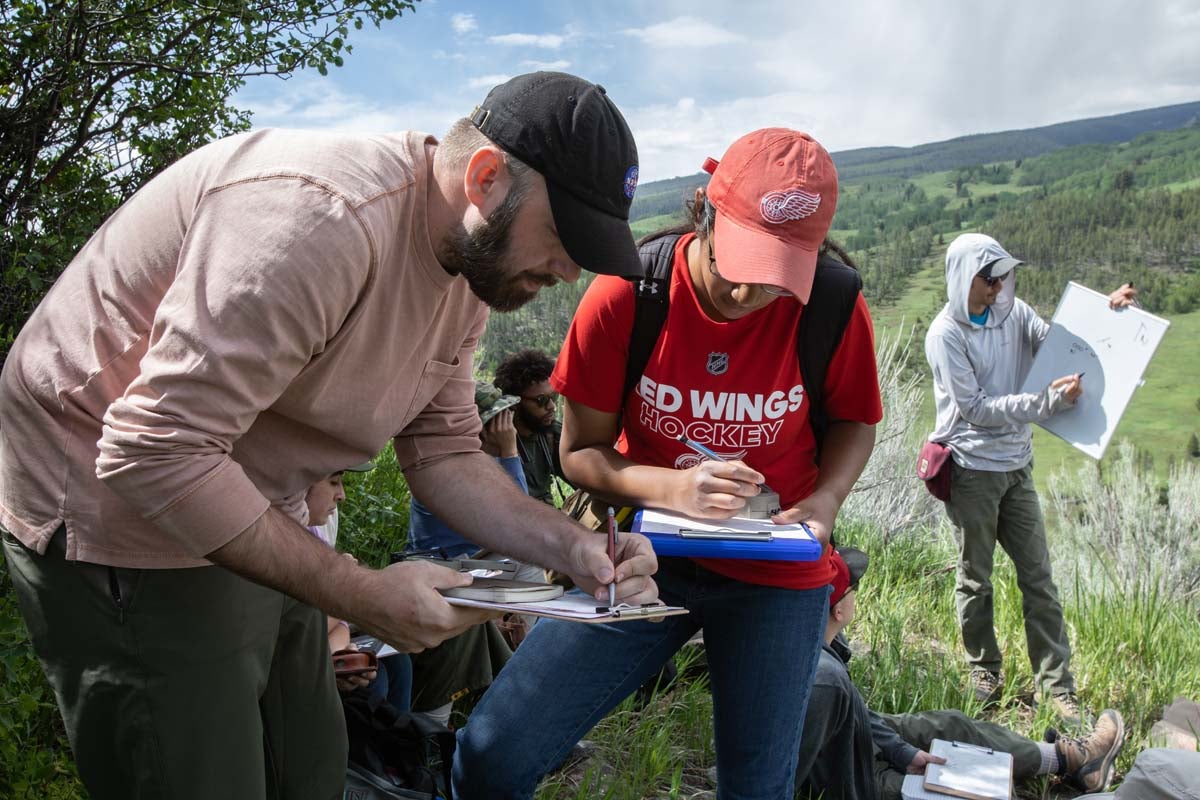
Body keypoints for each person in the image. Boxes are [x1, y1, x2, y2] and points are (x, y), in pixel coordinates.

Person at [0, 71, 660, 800]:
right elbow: (154, 448)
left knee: (309, 765)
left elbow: (440, 448)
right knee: (201, 772)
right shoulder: (319, 222)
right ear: (485, 178)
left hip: (252, 496)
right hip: (120, 513)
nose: (569, 272)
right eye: (564, 236)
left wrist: (569, 546)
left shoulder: (469, 269)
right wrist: (363, 592)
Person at [454, 128, 884, 799]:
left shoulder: (830, 303)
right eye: (735, 266)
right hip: (646, 556)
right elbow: (579, 455)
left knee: (758, 788)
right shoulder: (629, 295)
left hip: (777, 575)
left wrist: (826, 501)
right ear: (702, 214)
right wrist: (677, 488)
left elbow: (856, 420)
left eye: (774, 279)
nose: (747, 297)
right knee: (493, 751)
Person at [924, 233, 1137, 720]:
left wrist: (1107, 311)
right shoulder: (945, 334)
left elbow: (1059, 345)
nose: (998, 288)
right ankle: (984, 671)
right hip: (972, 469)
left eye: (1002, 277)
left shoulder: (1013, 313)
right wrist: (1045, 403)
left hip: (1016, 466)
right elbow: (975, 410)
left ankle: (1058, 690)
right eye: (988, 279)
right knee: (975, 579)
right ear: (962, 279)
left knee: (1038, 578)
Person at [796, 548, 1126, 799]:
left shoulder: (825, 642)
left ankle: (1071, 760)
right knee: (959, 786)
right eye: (852, 588)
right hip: (850, 772)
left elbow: (856, 713)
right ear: (838, 610)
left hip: (854, 737)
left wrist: (899, 750)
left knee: (950, 724)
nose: (858, 591)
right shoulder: (823, 679)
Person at [493, 349, 573, 505]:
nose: (551, 406)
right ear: (514, 402)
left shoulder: (551, 434)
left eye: (554, 397)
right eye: (541, 400)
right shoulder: (493, 441)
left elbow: (584, 479)